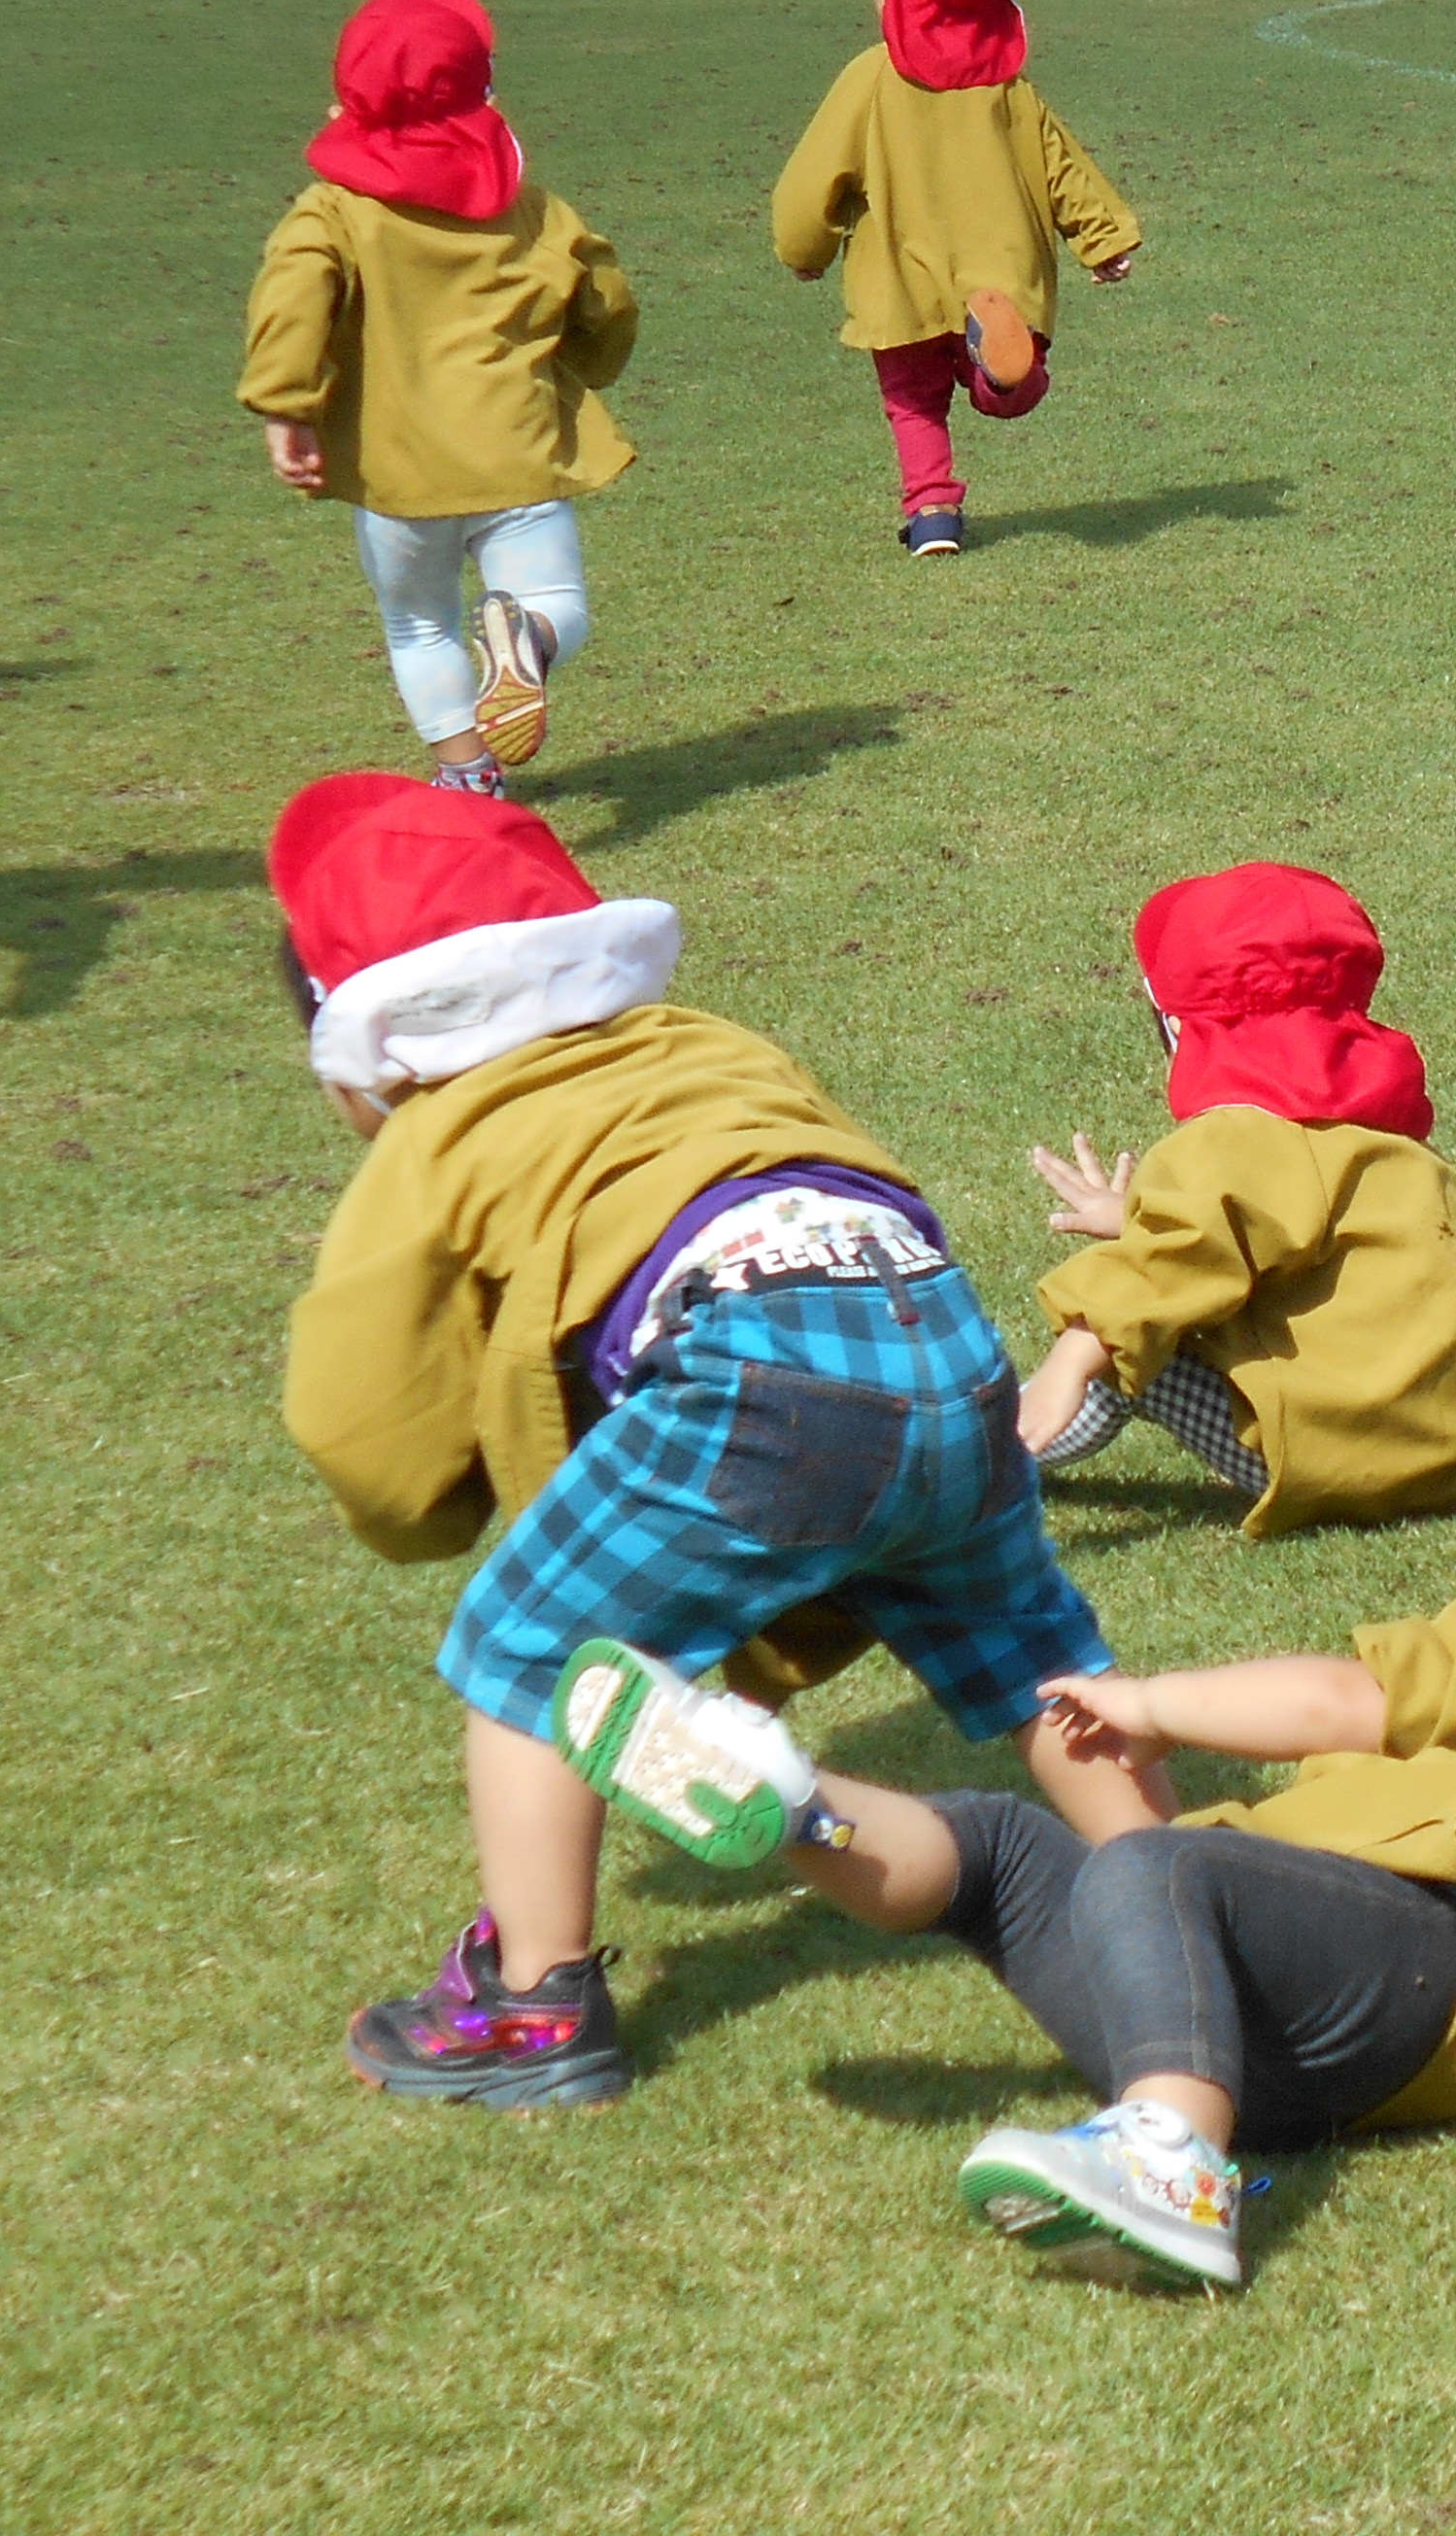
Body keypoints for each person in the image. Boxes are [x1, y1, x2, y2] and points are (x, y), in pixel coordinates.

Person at [267, 771, 1142, 2113]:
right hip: (942, 1340)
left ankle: (536, 2007)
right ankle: (1181, 1903)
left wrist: (418, 1513)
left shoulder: (435, 1132)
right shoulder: (711, 1048)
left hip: (760, 1378)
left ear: (370, 1045)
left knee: (530, 1647)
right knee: (1037, 1660)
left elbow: (359, 1415)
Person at [539, 1575, 1456, 2290]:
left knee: (1152, 1868)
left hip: (1395, 1969)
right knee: (1004, 1856)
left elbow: (1347, 1699)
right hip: (1318, 2054)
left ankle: (1168, 2157)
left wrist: (1152, 1703)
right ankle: (792, 1810)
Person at [1013, 862, 1456, 1533]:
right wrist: (1137, 1219)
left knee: (1139, 1349)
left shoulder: (1230, 1141)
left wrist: (1071, 1360)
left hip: (1346, 1468)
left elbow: (1163, 1274)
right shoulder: (1393, 1141)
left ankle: (978, 1461)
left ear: (1177, 1025)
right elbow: (1291, 1222)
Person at [238, 0, 634, 793]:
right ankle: (530, 637)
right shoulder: (529, 209)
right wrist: (592, 363)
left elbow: (293, 292)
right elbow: (604, 298)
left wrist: (288, 405)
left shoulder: (333, 212)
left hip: (399, 472)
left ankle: (468, 777)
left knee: (418, 624)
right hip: (515, 450)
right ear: (483, 95)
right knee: (558, 598)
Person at [769, 0, 1139, 556]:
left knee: (912, 400)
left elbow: (809, 183)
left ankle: (933, 511)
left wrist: (804, 251)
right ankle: (1008, 378)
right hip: (998, 275)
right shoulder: (1006, 86)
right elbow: (1061, 165)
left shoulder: (870, 80)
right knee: (995, 374)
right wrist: (1103, 236)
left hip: (902, 281)